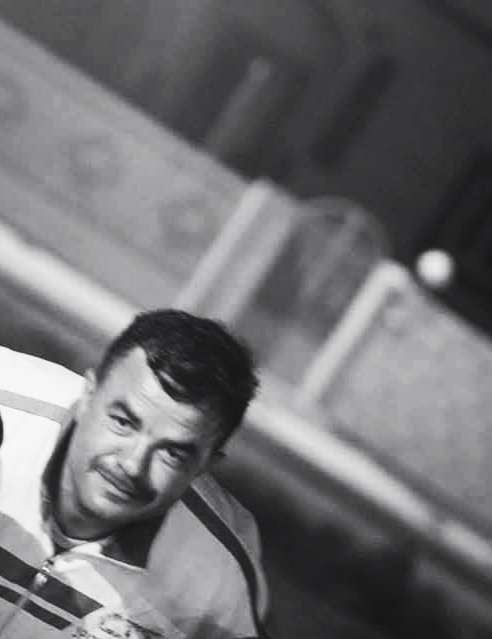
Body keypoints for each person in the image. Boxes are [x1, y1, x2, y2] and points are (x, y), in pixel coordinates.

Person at [0, 309, 269, 639]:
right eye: (123, 422)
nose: (132, 465)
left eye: (172, 453)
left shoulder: (218, 577)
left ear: (205, 466)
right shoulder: (6, 402)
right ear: (88, 395)